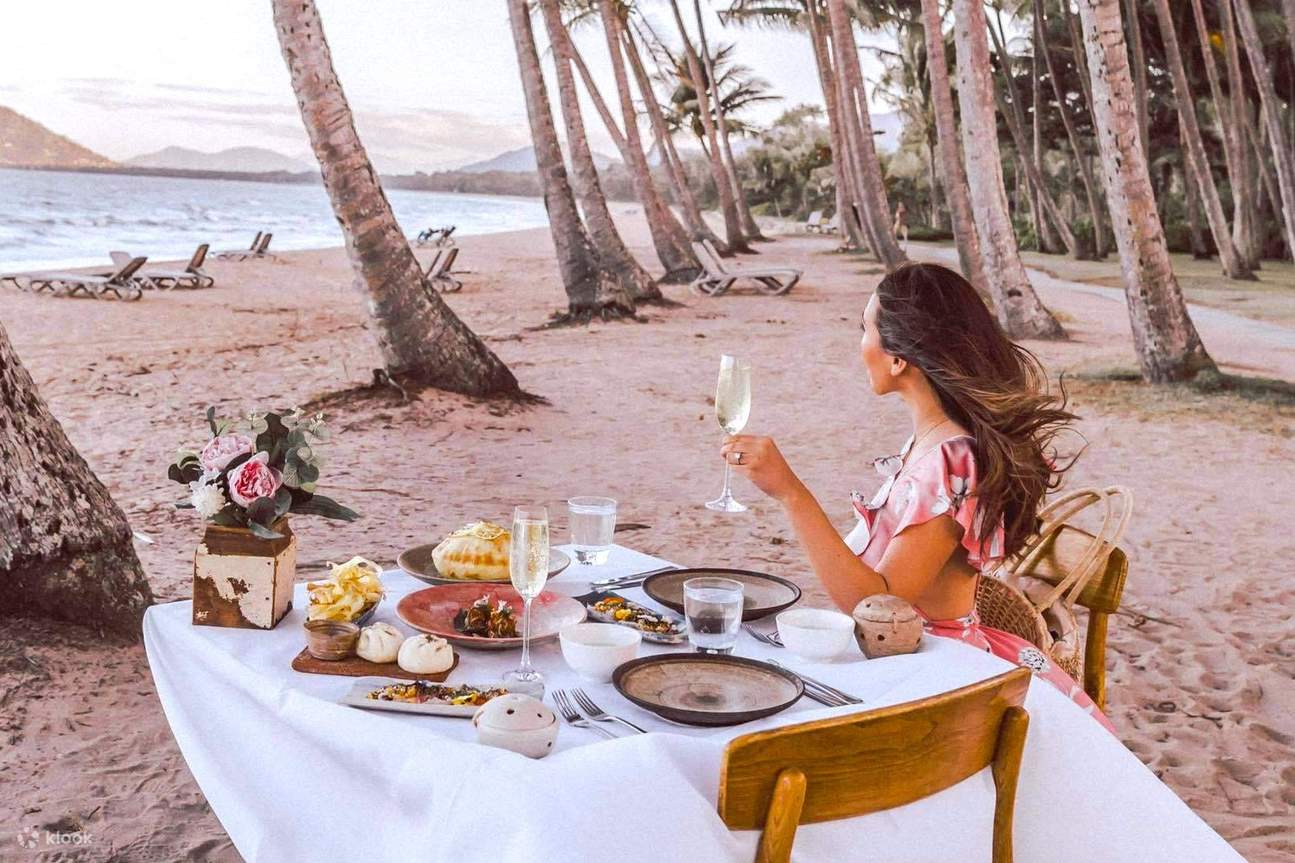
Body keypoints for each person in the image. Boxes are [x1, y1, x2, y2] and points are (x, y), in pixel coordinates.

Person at [719, 262, 1114, 731]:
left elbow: (877, 606)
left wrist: (790, 493)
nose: (860, 343)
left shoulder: (953, 461)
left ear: (897, 357)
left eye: (865, 328)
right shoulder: (931, 446)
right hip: (901, 657)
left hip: (932, 669)